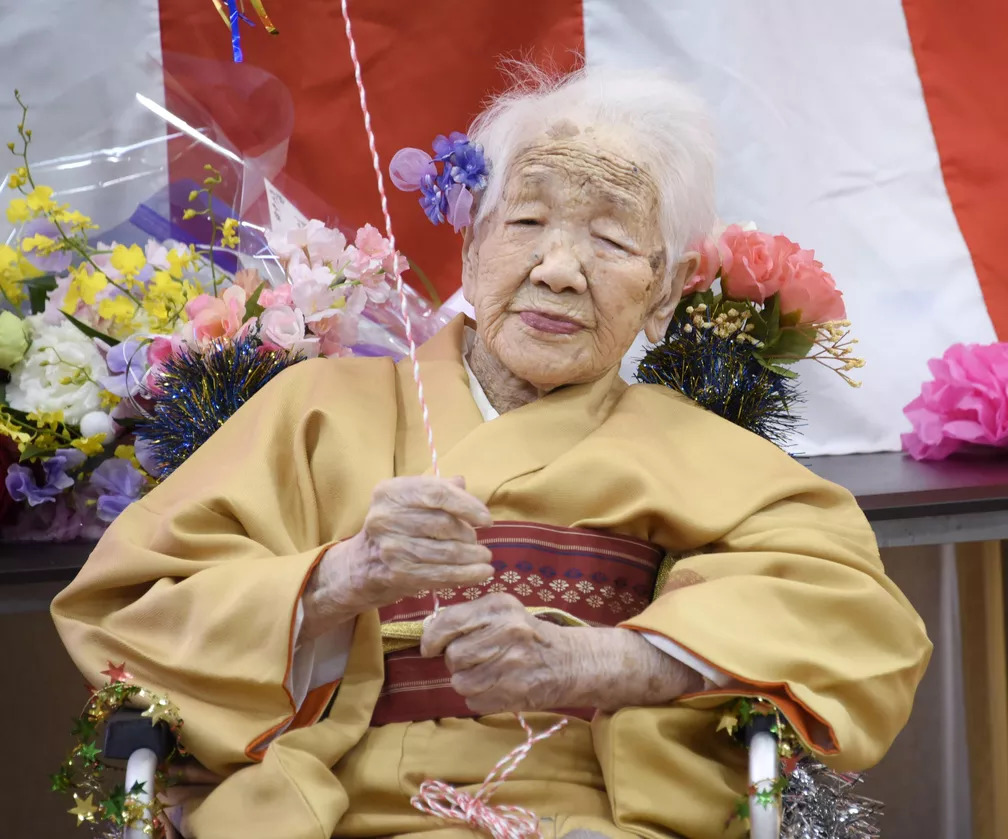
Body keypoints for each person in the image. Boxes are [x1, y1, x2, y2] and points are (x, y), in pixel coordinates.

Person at [52, 66, 931, 839]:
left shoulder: (703, 450)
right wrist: (338, 578)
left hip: (595, 813)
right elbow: (126, 614)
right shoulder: (312, 411)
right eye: (529, 221)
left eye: (613, 239)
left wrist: (601, 661)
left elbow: (865, 625)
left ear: (663, 295)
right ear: (472, 253)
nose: (557, 267)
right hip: (338, 807)